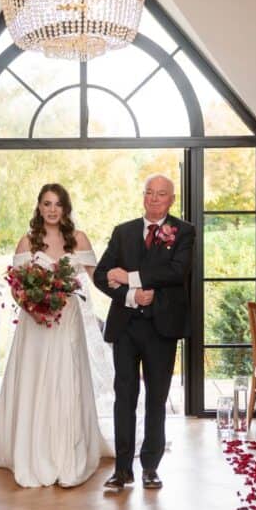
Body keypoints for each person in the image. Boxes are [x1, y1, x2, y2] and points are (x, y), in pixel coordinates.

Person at [0, 184, 114, 487]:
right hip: (36, 324)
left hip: (68, 322)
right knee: (36, 382)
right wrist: (34, 307)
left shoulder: (78, 239)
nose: (52, 209)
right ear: (39, 207)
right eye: (47, 204)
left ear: (66, 208)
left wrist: (129, 293)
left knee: (67, 380)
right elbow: (17, 287)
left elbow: (96, 279)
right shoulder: (28, 241)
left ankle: (68, 452)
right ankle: (34, 451)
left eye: (58, 204)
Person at [95, 174, 195, 491]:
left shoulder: (184, 231)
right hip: (125, 327)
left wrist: (130, 277)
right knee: (124, 397)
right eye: (149, 193)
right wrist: (129, 294)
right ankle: (122, 470)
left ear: (172, 199)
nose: (153, 199)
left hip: (162, 328)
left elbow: (176, 271)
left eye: (161, 194)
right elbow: (100, 275)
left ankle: (150, 466)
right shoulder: (122, 232)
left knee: (156, 398)